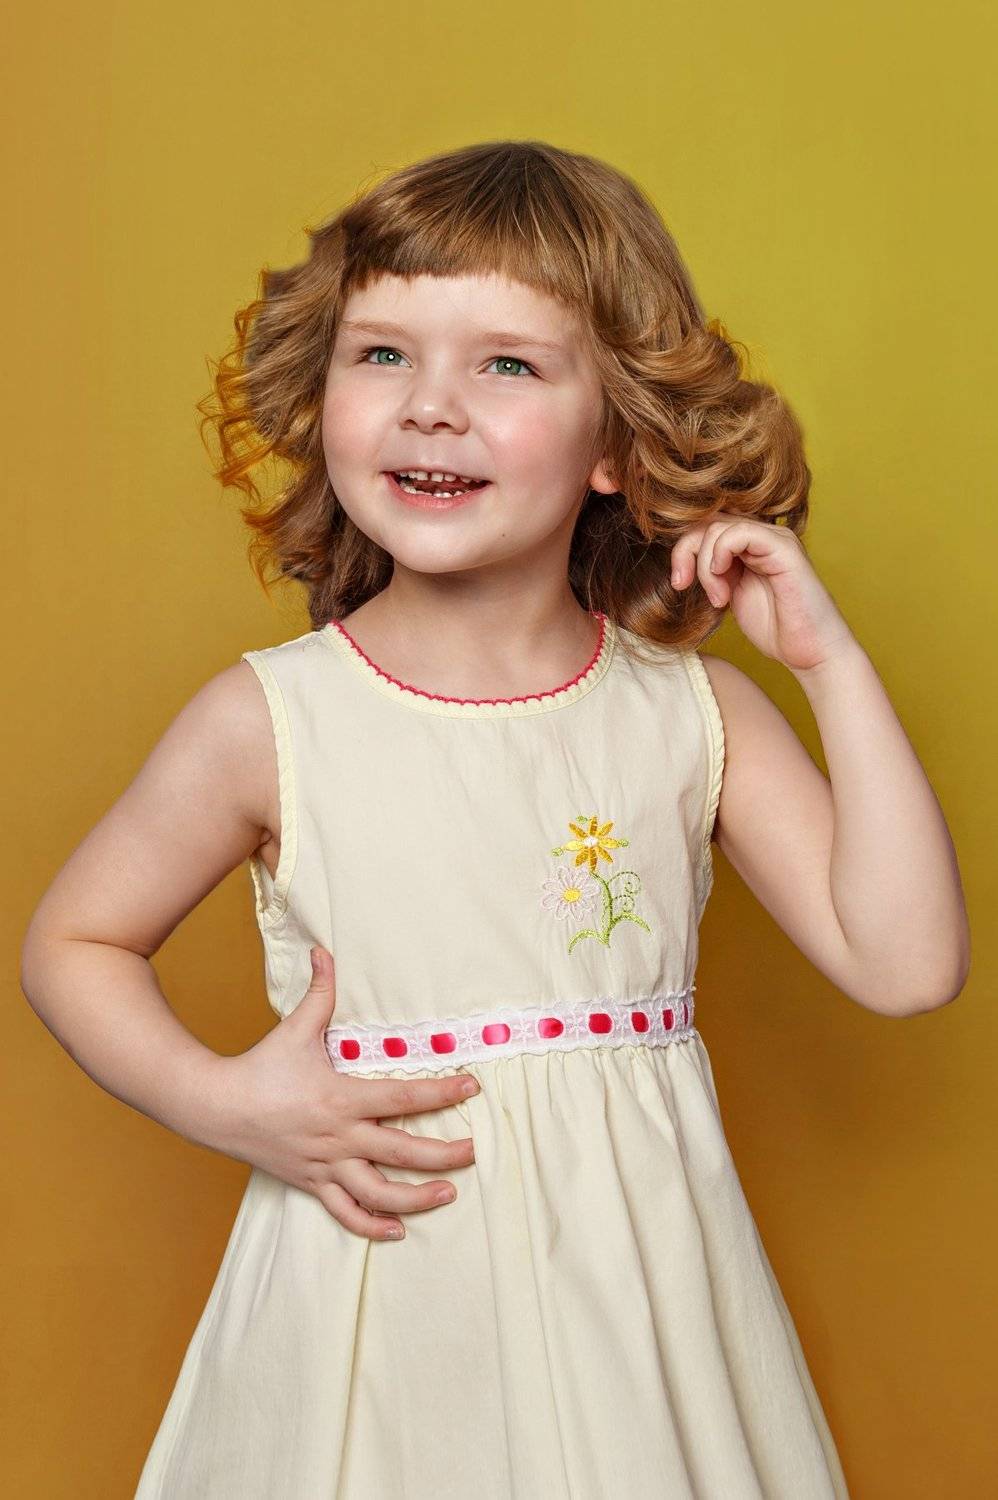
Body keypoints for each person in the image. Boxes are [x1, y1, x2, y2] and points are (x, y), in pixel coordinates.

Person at [20, 140, 969, 1499]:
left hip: (635, 1315)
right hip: (376, 1303)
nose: (432, 408)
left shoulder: (689, 713)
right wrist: (222, 1102)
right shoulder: (271, 719)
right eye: (383, 355)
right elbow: (75, 942)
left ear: (617, 443)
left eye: (507, 365)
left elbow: (906, 963)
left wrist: (829, 666)